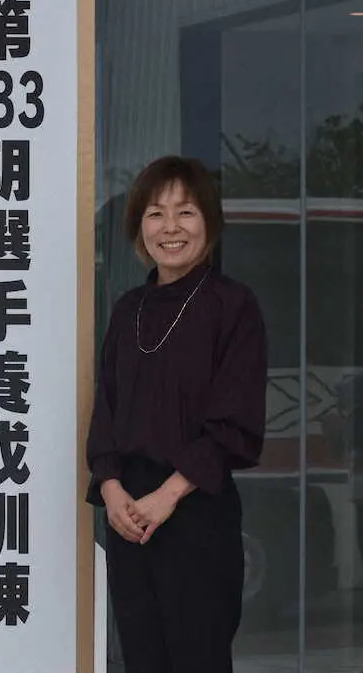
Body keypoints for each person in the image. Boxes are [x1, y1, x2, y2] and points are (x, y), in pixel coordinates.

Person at [85, 155, 267, 673]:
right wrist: (112, 491)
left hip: (196, 512)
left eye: (185, 212)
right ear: (138, 228)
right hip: (129, 520)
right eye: (155, 214)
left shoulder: (233, 306)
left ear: (209, 222)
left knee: (198, 658)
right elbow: (107, 409)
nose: (170, 228)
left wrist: (166, 497)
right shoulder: (128, 310)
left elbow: (234, 421)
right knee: (142, 657)